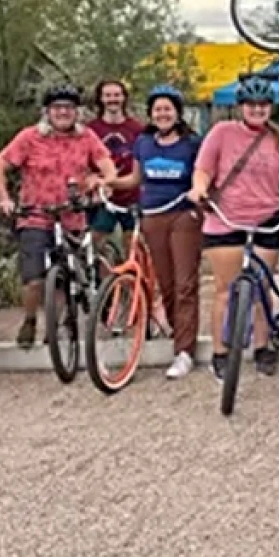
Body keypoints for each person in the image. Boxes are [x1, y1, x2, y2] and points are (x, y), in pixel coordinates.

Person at [186, 76, 279, 381]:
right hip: (226, 218)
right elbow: (203, 169)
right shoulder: (222, 132)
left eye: (263, 105)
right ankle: (220, 353)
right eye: (251, 104)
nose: (257, 110)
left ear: (270, 107)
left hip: (267, 218)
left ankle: (263, 347)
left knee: (261, 286)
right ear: (241, 107)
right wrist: (199, 189)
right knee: (225, 289)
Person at [0, 83, 117, 348]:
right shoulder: (30, 137)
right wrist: (4, 198)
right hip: (36, 215)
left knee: (65, 275)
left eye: (69, 108)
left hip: (73, 215)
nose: (63, 113)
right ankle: (29, 318)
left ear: (77, 112)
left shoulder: (87, 138)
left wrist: (100, 181)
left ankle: (55, 325)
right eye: (57, 108)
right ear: (47, 111)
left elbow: (109, 168)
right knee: (34, 277)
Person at [112, 84, 203, 380]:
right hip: (152, 216)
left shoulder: (192, 144)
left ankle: (184, 351)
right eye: (157, 110)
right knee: (165, 283)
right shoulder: (143, 143)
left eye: (168, 109)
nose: (163, 114)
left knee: (185, 282)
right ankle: (179, 335)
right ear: (151, 114)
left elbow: (203, 177)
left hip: (183, 215)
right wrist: (104, 182)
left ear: (177, 113)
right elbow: (135, 179)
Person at [86, 79, 144, 247]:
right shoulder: (91, 130)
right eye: (108, 95)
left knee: (133, 245)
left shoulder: (136, 129)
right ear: (100, 99)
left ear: (124, 98)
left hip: (132, 197)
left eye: (117, 95)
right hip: (103, 198)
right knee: (97, 243)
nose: (113, 99)